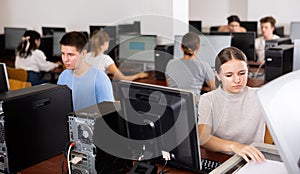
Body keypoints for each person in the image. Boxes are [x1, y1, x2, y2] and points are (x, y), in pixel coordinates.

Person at [198, 47, 266, 163]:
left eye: (242, 73)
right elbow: (203, 138)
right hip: (221, 159)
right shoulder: (208, 99)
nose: (237, 80)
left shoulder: (260, 95)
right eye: (229, 75)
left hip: (253, 160)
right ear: (218, 75)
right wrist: (235, 147)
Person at [57, 31, 114, 111]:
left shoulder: (100, 79)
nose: (65, 59)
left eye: (71, 55)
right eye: (63, 54)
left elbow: (109, 113)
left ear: (83, 54)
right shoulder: (63, 76)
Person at [165, 32, 216, 110]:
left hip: (174, 108)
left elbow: (169, 86)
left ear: (181, 47)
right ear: (198, 48)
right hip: (192, 109)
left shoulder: (170, 63)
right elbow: (214, 88)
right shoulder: (203, 66)